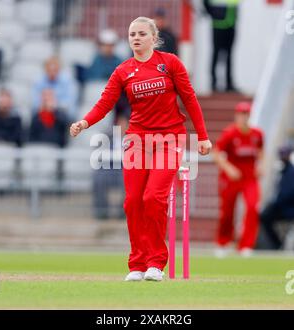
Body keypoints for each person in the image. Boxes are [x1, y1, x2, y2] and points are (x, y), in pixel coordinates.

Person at [70, 16, 212, 281]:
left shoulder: (170, 63)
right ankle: (137, 263)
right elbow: (105, 103)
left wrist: (202, 137)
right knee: (133, 202)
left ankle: (156, 262)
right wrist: (84, 122)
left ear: (153, 37)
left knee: (153, 198)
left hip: (170, 139)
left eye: (142, 34)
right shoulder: (123, 70)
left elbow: (190, 99)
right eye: (132, 34)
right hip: (137, 140)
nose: (136, 38)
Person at [212, 102, 264, 257]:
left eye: (246, 114)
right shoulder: (230, 133)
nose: (244, 117)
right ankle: (223, 242)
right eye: (241, 114)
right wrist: (229, 169)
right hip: (231, 178)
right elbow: (216, 153)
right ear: (237, 115)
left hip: (249, 178)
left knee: (252, 207)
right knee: (227, 211)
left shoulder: (257, 134)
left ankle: (246, 245)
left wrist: (261, 166)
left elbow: (261, 151)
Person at [260, 145, 294, 249]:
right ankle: (278, 244)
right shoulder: (282, 170)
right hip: (284, 206)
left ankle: (278, 245)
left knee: (266, 216)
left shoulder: (291, 171)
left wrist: (275, 203)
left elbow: (286, 194)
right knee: (264, 216)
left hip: (289, 208)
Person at [203, 0, 239, 92]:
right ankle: (214, 83)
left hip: (231, 23)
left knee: (229, 55)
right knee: (216, 54)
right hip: (218, 25)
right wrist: (214, 14)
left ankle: (229, 84)